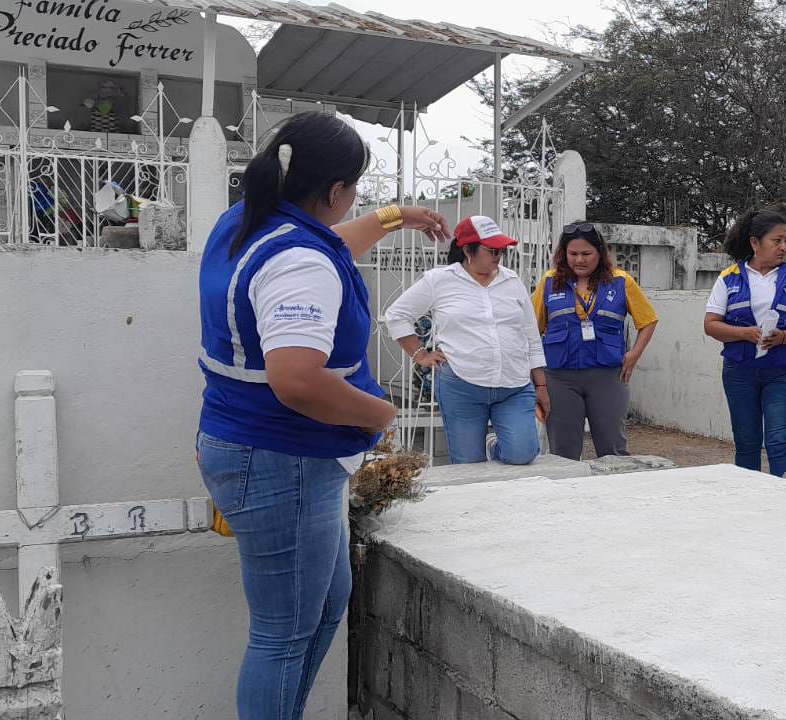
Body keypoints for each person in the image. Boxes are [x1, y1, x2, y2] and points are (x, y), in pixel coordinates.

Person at [195, 111, 450, 720]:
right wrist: (381, 411)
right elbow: (296, 380)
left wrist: (397, 216)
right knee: (283, 633)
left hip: (270, 451)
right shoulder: (299, 262)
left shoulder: (248, 220)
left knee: (330, 599)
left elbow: (330, 244)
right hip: (281, 457)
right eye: (355, 188)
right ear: (335, 191)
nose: (355, 199)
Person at [382, 215, 549, 465]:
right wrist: (420, 354)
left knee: (522, 453)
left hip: (513, 384)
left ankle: (494, 446)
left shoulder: (512, 280)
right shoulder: (439, 280)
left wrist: (541, 385)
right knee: (468, 462)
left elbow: (530, 335)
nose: (499, 255)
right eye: (492, 250)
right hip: (462, 386)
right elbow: (397, 315)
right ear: (468, 250)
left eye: (502, 249)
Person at [703, 210, 786, 477]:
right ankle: (749, 496)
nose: (783, 247)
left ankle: (785, 495)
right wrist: (743, 333)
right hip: (739, 372)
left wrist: (784, 337)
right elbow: (711, 324)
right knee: (746, 442)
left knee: (780, 442)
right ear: (755, 243)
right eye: (776, 241)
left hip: (782, 372)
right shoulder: (729, 278)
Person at [531, 222, 660, 459]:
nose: (579, 260)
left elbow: (648, 321)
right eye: (573, 254)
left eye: (586, 253)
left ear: (600, 253)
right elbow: (531, 331)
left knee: (613, 450)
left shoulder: (621, 281)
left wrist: (634, 355)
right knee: (563, 453)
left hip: (607, 377)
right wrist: (538, 381)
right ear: (563, 254)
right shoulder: (549, 282)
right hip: (560, 379)